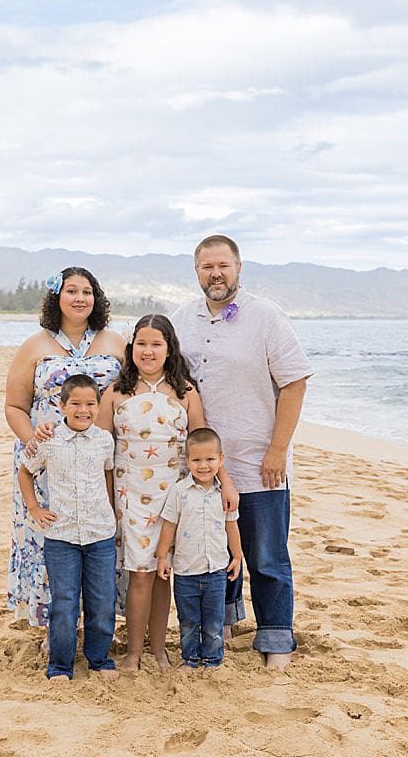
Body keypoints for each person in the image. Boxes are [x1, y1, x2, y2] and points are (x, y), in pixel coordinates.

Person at [170, 234, 313, 669]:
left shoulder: (266, 316)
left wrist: (277, 450)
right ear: (197, 271)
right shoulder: (181, 319)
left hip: (258, 463)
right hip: (202, 468)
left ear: (238, 268)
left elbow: (295, 382)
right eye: (207, 267)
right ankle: (226, 624)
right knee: (212, 554)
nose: (216, 274)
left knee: (266, 557)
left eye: (223, 266)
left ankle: (276, 639)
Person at [98, 313, 238, 672]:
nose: (148, 351)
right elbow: (99, 450)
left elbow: (204, 441)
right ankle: (134, 653)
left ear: (169, 348)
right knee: (140, 574)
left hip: (176, 497)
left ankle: (159, 650)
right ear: (131, 348)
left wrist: (226, 482)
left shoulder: (185, 392)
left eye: (156, 344)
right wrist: (104, 497)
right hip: (131, 496)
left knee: (163, 574)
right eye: (141, 344)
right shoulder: (116, 392)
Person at [4, 267, 124, 630]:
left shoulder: (115, 342)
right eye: (71, 291)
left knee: (98, 534)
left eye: (87, 291)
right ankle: (53, 625)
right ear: (57, 298)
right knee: (51, 534)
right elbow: (14, 405)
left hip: (98, 457)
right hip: (47, 460)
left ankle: (97, 622)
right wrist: (34, 441)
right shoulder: (35, 345)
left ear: (96, 298)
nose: (79, 298)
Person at [17, 374, 119, 680]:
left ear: (98, 407)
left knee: (102, 601)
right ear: (62, 406)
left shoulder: (104, 440)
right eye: (75, 403)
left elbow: (108, 475)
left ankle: (99, 659)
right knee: (64, 602)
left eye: (90, 404)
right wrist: (34, 508)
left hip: (100, 533)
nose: (83, 410)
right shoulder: (48, 441)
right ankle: (60, 665)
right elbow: (25, 472)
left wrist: (111, 511)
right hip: (61, 536)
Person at [156, 428, 243, 670]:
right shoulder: (179, 491)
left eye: (210, 459)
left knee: (214, 621)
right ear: (187, 461)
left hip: (216, 571)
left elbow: (232, 525)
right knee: (188, 621)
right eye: (196, 460)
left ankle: (213, 660)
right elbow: (169, 526)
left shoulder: (224, 494)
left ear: (221, 460)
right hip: (186, 572)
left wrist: (237, 556)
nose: (203, 466)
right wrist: (162, 557)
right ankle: (191, 659)